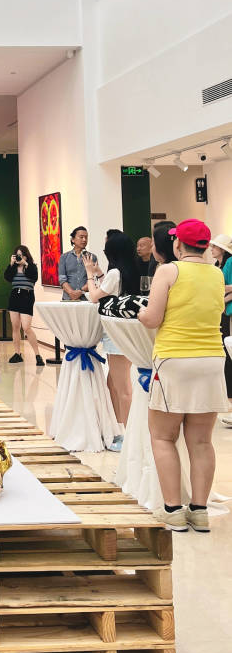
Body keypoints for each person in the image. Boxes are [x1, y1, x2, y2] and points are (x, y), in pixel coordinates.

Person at [138, 219, 226, 532]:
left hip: (174, 359)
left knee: (163, 437)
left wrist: (140, 312)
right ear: (205, 246)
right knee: (201, 441)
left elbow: (152, 318)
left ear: (177, 244)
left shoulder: (168, 271)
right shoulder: (216, 273)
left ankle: (173, 510)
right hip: (212, 360)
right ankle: (199, 511)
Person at [85, 232, 140, 451]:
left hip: (116, 334)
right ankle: (118, 430)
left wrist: (90, 274)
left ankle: (129, 436)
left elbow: (94, 296)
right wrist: (100, 273)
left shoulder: (116, 273)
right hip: (126, 331)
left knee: (122, 388)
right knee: (113, 385)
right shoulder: (130, 270)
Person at [4, 245, 43, 366]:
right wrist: (11, 264)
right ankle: (17, 353)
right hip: (15, 296)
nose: (19, 257)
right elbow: (7, 277)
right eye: (17, 255)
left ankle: (37, 355)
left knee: (26, 327)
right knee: (15, 327)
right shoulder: (14, 267)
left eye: (21, 255)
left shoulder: (31, 266)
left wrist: (25, 264)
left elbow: (34, 277)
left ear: (26, 256)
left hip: (27, 296)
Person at [209, 234, 232, 428]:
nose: (211, 249)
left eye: (214, 246)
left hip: (228, 311)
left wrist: (219, 296)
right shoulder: (218, 265)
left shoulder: (229, 262)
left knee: (228, 351)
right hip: (223, 310)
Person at [58, 227, 102, 301]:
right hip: (68, 298)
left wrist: (80, 291)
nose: (84, 240)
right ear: (73, 239)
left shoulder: (92, 257)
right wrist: (71, 293)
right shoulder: (64, 257)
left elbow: (93, 278)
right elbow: (62, 279)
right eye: (81, 237)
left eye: (86, 237)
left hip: (86, 299)